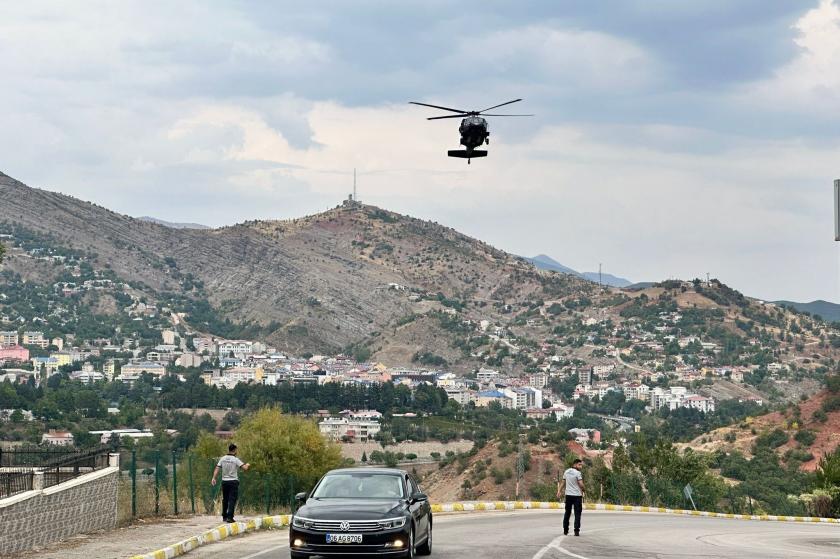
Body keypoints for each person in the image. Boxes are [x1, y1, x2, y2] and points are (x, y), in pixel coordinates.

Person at [211, 443, 250, 523]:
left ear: (229, 449)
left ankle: (224, 516)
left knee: (225, 499)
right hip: (233, 482)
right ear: (235, 450)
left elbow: (217, 468)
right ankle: (230, 517)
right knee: (232, 499)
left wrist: (214, 478)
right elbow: (245, 468)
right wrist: (248, 465)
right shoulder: (235, 459)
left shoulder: (223, 458)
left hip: (224, 482)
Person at [558, 458, 585, 536]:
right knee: (577, 514)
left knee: (567, 513)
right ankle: (576, 531)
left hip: (568, 496)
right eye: (579, 465)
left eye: (581, 465)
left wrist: (559, 491)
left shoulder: (566, 471)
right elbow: (581, 484)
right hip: (577, 496)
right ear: (575, 465)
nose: (581, 467)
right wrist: (584, 490)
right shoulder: (578, 473)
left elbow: (563, 482)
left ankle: (565, 530)